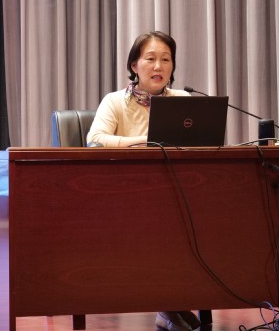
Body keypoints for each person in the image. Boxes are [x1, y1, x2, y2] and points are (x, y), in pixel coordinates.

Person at [86, 31, 201, 331]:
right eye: (150, 59)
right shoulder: (115, 102)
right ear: (134, 65)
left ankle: (173, 304)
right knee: (159, 227)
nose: (158, 66)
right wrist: (145, 141)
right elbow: (95, 140)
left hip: (176, 194)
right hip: (126, 195)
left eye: (166, 60)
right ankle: (170, 306)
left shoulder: (183, 100)